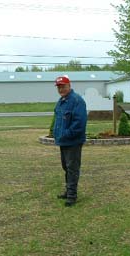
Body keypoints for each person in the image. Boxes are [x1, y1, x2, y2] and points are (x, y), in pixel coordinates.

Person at [53, 76, 87, 207]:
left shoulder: (77, 101)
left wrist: (65, 134)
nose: (61, 89)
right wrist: (57, 134)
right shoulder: (62, 101)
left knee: (72, 168)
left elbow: (79, 124)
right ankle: (68, 191)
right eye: (59, 87)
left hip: (73, 142)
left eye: (63, 86)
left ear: (69, 85)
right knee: (66, 167)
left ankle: (72, 196)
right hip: (63, 141)